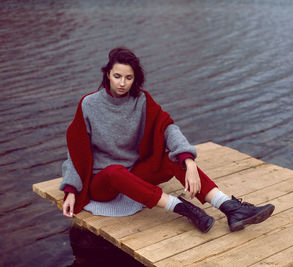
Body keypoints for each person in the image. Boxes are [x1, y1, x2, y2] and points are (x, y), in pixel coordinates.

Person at [60, 47, 275, 233]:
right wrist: (71, 190)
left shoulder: (142, 100)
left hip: (134, 172)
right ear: (107, 74)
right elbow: (75, 149)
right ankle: (182, 208)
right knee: (115, 171)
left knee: (173, 159)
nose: (122, 83)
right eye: (117, 76)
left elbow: (167, 128)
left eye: (129, 77)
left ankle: (230, 207)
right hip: (103, 182)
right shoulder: (89, 104)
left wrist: (189, 161)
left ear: (135, 78)